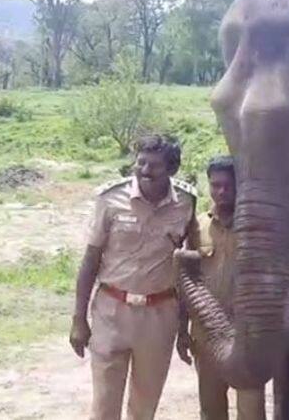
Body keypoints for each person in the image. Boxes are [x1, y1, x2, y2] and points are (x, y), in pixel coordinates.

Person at [69, 134, 198, 420]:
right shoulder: (110, 198)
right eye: (140, 163)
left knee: (144, 406)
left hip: (159, 315)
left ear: (172, 169)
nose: (145, 171)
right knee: (104, 406)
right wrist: (78, 319)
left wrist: (184, 327)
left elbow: (190, 269)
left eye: (155, 166)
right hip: (111, 311)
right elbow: (90, 260)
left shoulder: (187, 203)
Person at [177, 155, 267, 420]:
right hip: (206, 336)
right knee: (211, 410)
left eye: (228, 185)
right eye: (215, 185)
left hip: (248, 337)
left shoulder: (258, 227)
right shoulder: (197, 226)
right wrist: (182, 330)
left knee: (252, 412)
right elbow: (185, 280)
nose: (221, 192)